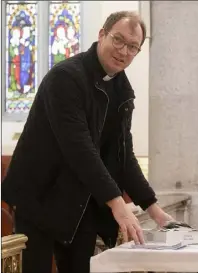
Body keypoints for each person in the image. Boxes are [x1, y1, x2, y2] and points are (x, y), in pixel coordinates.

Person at [2, 11, 174, 273]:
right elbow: (79, 147)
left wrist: (154, 209)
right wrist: (118, 203)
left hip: (81, 201)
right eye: (118, 40)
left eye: (132, 47)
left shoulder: (122, 90)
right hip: (40, 196)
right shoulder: (66, 78)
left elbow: (123, 155)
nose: (123, 51)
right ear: (102, 34)